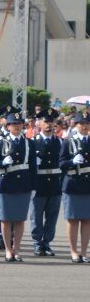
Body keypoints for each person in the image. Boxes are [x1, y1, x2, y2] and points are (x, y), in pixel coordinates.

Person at [0, 112, 37, 263]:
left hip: (23, 184)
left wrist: (33, 187)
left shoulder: (29, 143)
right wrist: (2, 162)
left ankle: (16, 250)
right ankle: (7, 249)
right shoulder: (1, 142)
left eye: (19, 124)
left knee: (19, 220)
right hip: (6, 184)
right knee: (6, 220)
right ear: (7, 126)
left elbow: (33, 167)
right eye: (13, 124)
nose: (17, 127)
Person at [31, 113, 64, 257]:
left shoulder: (60, 142)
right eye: (45, 122)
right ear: (39, 124)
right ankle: (37, 243)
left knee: (52, 217)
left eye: (51, 122)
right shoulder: (32, 142)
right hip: (39, 185)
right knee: (36, 217)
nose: (49, 125)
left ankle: (47, 243)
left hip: (55, 185)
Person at [59, 113, 90, 263]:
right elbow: (61, 164)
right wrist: (72, 161)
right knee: (72, 220)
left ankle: (84, 252)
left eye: (87, 123)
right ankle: (73, 251)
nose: (85, 126)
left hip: (88, 185)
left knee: (87, 220)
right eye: (81, 123)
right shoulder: (68, 142)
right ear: (76, 125)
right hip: (73, 183)